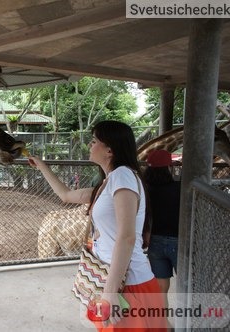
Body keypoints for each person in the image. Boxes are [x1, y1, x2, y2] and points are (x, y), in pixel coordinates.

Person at [28, 120, 166, 331]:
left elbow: (127, 237)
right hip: (113, 279)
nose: (89, 146)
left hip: (128, 285)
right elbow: (65, 195)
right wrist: (42, 166)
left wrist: (110, 294)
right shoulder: (108, 182)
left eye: (93, 141)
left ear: (109, 150)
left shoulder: (123, 176)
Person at [144, 150, 180, 304]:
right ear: (169, 167)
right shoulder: (179, 188)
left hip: (155, 241)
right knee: (188, 285)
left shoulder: (145, 189)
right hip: (179, 241)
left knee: (160, 286)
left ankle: (164, 324)